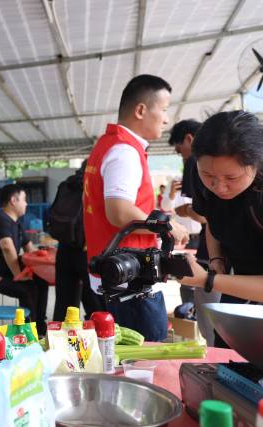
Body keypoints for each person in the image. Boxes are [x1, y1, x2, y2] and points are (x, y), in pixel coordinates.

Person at [83, 74, 188, 341]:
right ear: (141, 110)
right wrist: (167, 224)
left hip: (117, 272)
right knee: (147, 358)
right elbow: (118, 211)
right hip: (130, 279)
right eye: (163, 110)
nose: (166, 119)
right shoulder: (125, 151)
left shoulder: (109, 145)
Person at [180, 111, 263, 344]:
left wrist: (207, 280)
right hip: (240, 288)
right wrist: (217, 262)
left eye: (231, 177)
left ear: (255, 163)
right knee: (227, 351)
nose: (219, 186)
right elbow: (212, 223)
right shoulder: (203, 181)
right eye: (208, 174)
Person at [167, 119, 220, 345]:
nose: (220, 186)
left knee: (213, 325)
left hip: (212, 262)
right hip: (212, 258)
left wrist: (211, 277)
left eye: (181, 153)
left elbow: (208, 218)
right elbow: (213, 222)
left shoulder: (197, 162)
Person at [0, 184, 49, 335]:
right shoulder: (0, 219)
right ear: (13, 201)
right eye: (24, 199)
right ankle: (29, 332)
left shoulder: (16, 223)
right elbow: (7, 247)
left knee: (41, 281)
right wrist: (19, 275)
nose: (26, 203)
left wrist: (42, 265)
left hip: (9, 272)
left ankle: (40, 326)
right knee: (27, 290)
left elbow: (29, 248)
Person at [50, 161, 104, 322]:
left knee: (64, 305)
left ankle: (59, 342)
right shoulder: (96, 185)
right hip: (89, 251)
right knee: (96, 305)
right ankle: (97, 341)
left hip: (64, 248)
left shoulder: (66, 184)